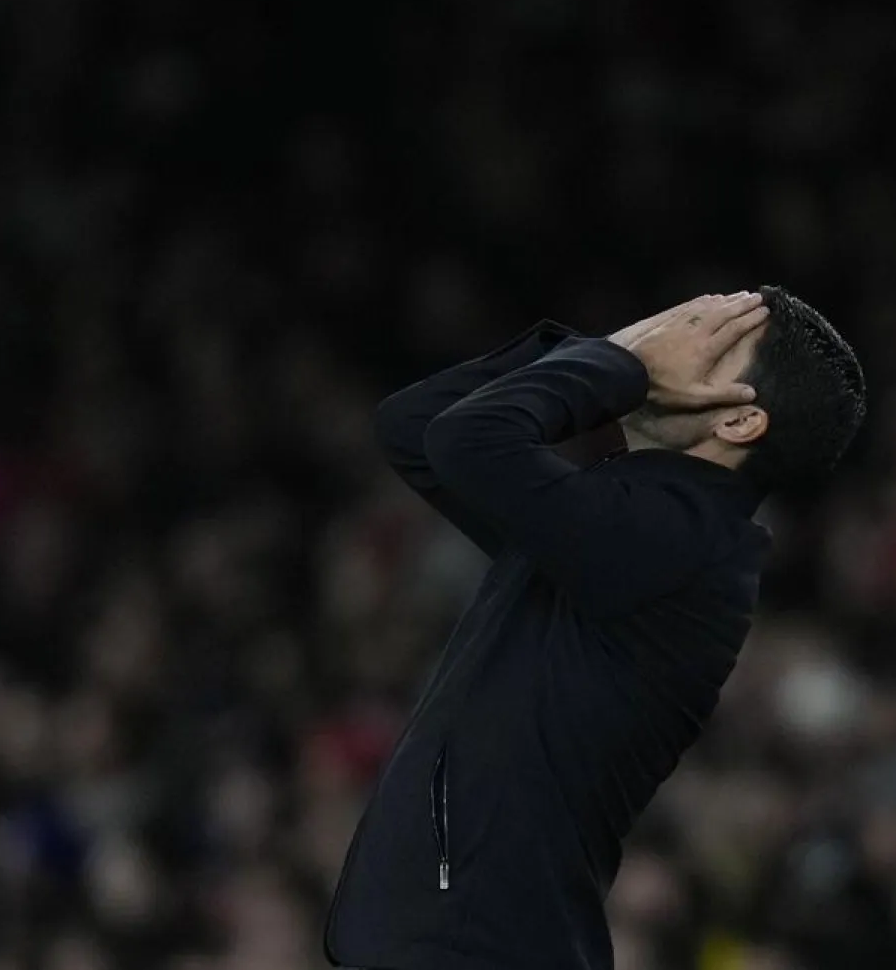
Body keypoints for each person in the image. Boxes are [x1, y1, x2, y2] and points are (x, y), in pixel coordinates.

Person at [325, 288, 868, 970]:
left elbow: (461, 439)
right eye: (684, 320)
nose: (672, 338)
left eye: (704, 338)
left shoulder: (683, 544)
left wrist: (617, 363)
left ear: (737, 422)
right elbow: (413, 427)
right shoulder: (629, 517)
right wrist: (611, 350)